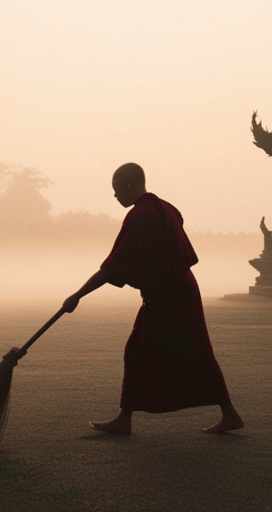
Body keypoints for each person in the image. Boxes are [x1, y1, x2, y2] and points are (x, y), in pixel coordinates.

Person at [58, 163, 244, 435]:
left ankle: (228, 414)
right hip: (180, 288)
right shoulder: (166, 208)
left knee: (189, 351)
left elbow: (113, 266)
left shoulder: (140, 216)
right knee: (145, 350)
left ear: (128, 185)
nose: (115, 196)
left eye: (116, 190)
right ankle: (126, 418)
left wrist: (77, 295)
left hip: (169, 294)